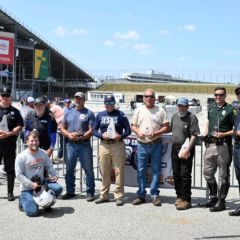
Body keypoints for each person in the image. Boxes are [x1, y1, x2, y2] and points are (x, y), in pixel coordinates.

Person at [131, 89, 170, 206]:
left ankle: (154, 195)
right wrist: (138, 132)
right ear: (143, 98)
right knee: (141, 170)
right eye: (146, 96)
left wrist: (157, 133)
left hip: (156, 143)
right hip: (142, 144)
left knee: (156, 170)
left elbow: (166, 127)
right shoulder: (139, 110)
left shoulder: (160, 110)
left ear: (155, 98)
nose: (149, 98)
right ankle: (141, 195)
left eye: (151, 96)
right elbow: (133, 125)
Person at [199, 86, 234, 212]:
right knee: (207, 173)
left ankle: (221, 201)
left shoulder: (230, 110)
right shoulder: (212, 107)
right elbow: (209, 121)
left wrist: (224, 134)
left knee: (223, 175)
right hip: (210, 145)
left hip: (223, 145)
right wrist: (206, 132)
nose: (218, 97)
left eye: (221, 95)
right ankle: (213, 197)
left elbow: (235, 129)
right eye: (216, 95)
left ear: (225, 96)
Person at [93, 95, 131, 206]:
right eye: (107, 103)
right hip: (104, 145)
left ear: (114, 103)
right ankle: (104, 195)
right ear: (104, 104)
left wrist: (121, 136)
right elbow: (94, 130)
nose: (109, 105)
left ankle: (118, 196)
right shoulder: (100, 115)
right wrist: (101, 135)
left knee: (119, 171)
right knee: (104, 170)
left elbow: (128, 130)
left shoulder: (121, 115)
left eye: (111, 103)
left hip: (117, 145)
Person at [15, 130, 63, 217]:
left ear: (39, 141)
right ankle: (22, 199)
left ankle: (46, 203)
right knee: (32, 212)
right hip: (28, 188)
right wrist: (31, 184)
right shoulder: (21, 157)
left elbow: (49, 166)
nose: (34, 143)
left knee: (58, 188)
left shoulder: (43, 153)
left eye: (36, 140)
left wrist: (54, 175)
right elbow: (18, 175)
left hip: (41, 184)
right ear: (27, 142)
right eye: (32, 141)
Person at [61, 92, 95, 201]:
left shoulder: (89, 113)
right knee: (69, 169)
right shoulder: (68, 112)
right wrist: (68, 134)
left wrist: (81, 137)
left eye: (80, 98)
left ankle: (90, 192)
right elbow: (62, 128)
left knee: (88, 169)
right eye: (76, 98)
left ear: (84, 100)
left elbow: (91, 130)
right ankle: (70, 191)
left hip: (84, 144)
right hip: (70, 145)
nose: (78, 100)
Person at [171, 97, 200, 210]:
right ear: (177, 106)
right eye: (179, 106)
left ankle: (187, 200)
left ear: (187, 106)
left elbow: (194, 135)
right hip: (175, 148)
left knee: (185, 175)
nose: (182, 108)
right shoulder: (174, 116)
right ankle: (179, 196)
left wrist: (188, 149)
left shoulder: (192, 117)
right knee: (176, 174)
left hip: (186, 149)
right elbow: (171, 129)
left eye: (184, 106)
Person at [0, 86, 24, 201]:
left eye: (7, 96)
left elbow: (20, 126)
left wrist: (9, 134)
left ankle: (10, 192)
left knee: (10, 169)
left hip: (9, 144)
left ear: (10, 98)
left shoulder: (15, 111)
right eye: (3, 96)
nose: (5, 98)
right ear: (0, 97)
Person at [229, 85, 240, 216]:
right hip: (237, 145)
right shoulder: (238, 110)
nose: (239, 95)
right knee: (239, 177)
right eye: (238, 94)